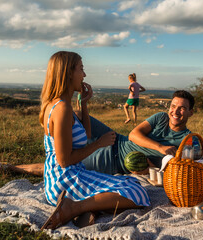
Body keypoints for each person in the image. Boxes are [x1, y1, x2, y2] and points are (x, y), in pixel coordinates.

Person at [37, 51, 150, 230]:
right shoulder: (62, 109)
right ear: (67, 73)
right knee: (136, 192)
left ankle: (91, 208)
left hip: (66, 176)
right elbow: (64, 160)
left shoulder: (60, 105)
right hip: (64, 182)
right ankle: (74, 207)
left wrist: (83, 103)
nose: (84, 75)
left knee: (131, 182)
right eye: (81, 69)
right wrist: (99, 143)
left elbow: (86, 135)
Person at [0, 90, 195, 176]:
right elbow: (133, 136)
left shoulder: (188, 142)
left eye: (182, 108)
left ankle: (10, 168)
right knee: (73, 115)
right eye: (173, 105)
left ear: (190, 113)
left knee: (66, 164)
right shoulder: (159, 117)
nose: (175, 111)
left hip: (115, 160)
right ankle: (58, 143)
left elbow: (178, 171)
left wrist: (151, 166)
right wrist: (160, 148)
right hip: (115, 139)